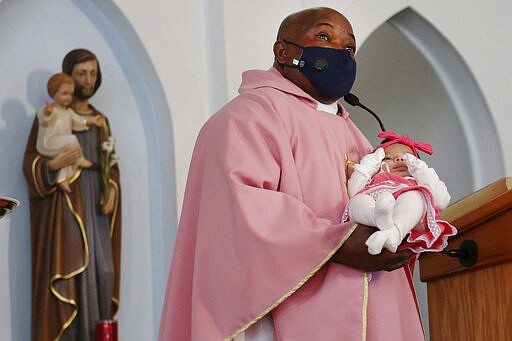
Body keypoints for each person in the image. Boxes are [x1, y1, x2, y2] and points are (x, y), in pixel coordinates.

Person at [159, 7, 424, 341]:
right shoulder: (247, 118)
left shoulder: (351, 130)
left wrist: (403, 226)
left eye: (348, 48)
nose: (340, 54)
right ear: (283, 50)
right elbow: (243, 214)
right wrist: (338, 243)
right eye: (324, 37)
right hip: (287, 317)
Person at [23, 49, 122, 341]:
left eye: (93, 73)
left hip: (96, 208)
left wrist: (113, 190)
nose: (88, 80)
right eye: (81, 74)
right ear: (68, 76)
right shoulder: (51, 115)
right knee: (70, 275)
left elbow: (111, 165)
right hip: (65, 206)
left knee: (103, 272)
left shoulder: (100, 119)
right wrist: (53, 166)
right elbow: (31, 163)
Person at [343, 131, 457, 255]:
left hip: (408, 215)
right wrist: (370, 162)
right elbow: (354, 191)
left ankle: (395, 232)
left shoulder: (416, 182)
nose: (399, 159)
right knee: (357, 200)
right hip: (375, 208)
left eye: (407, 157)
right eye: (388, 158)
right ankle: (378, 217)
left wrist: (420, 167)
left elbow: (442, 201)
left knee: (416, 196)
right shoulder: (374, 181)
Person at [36, 72, 104, 193]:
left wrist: (92, 120)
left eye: (71, 94)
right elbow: (43, 119)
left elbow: (79, 121)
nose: (68, 97)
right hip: (48, 143)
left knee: (68, 155)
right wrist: (47, 113)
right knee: (71, 140)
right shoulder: (51, 109)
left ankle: (62, 179)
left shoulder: (68, 112)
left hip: (59, 145)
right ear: (53, 93)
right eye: (64, 93)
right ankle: (80, 160)